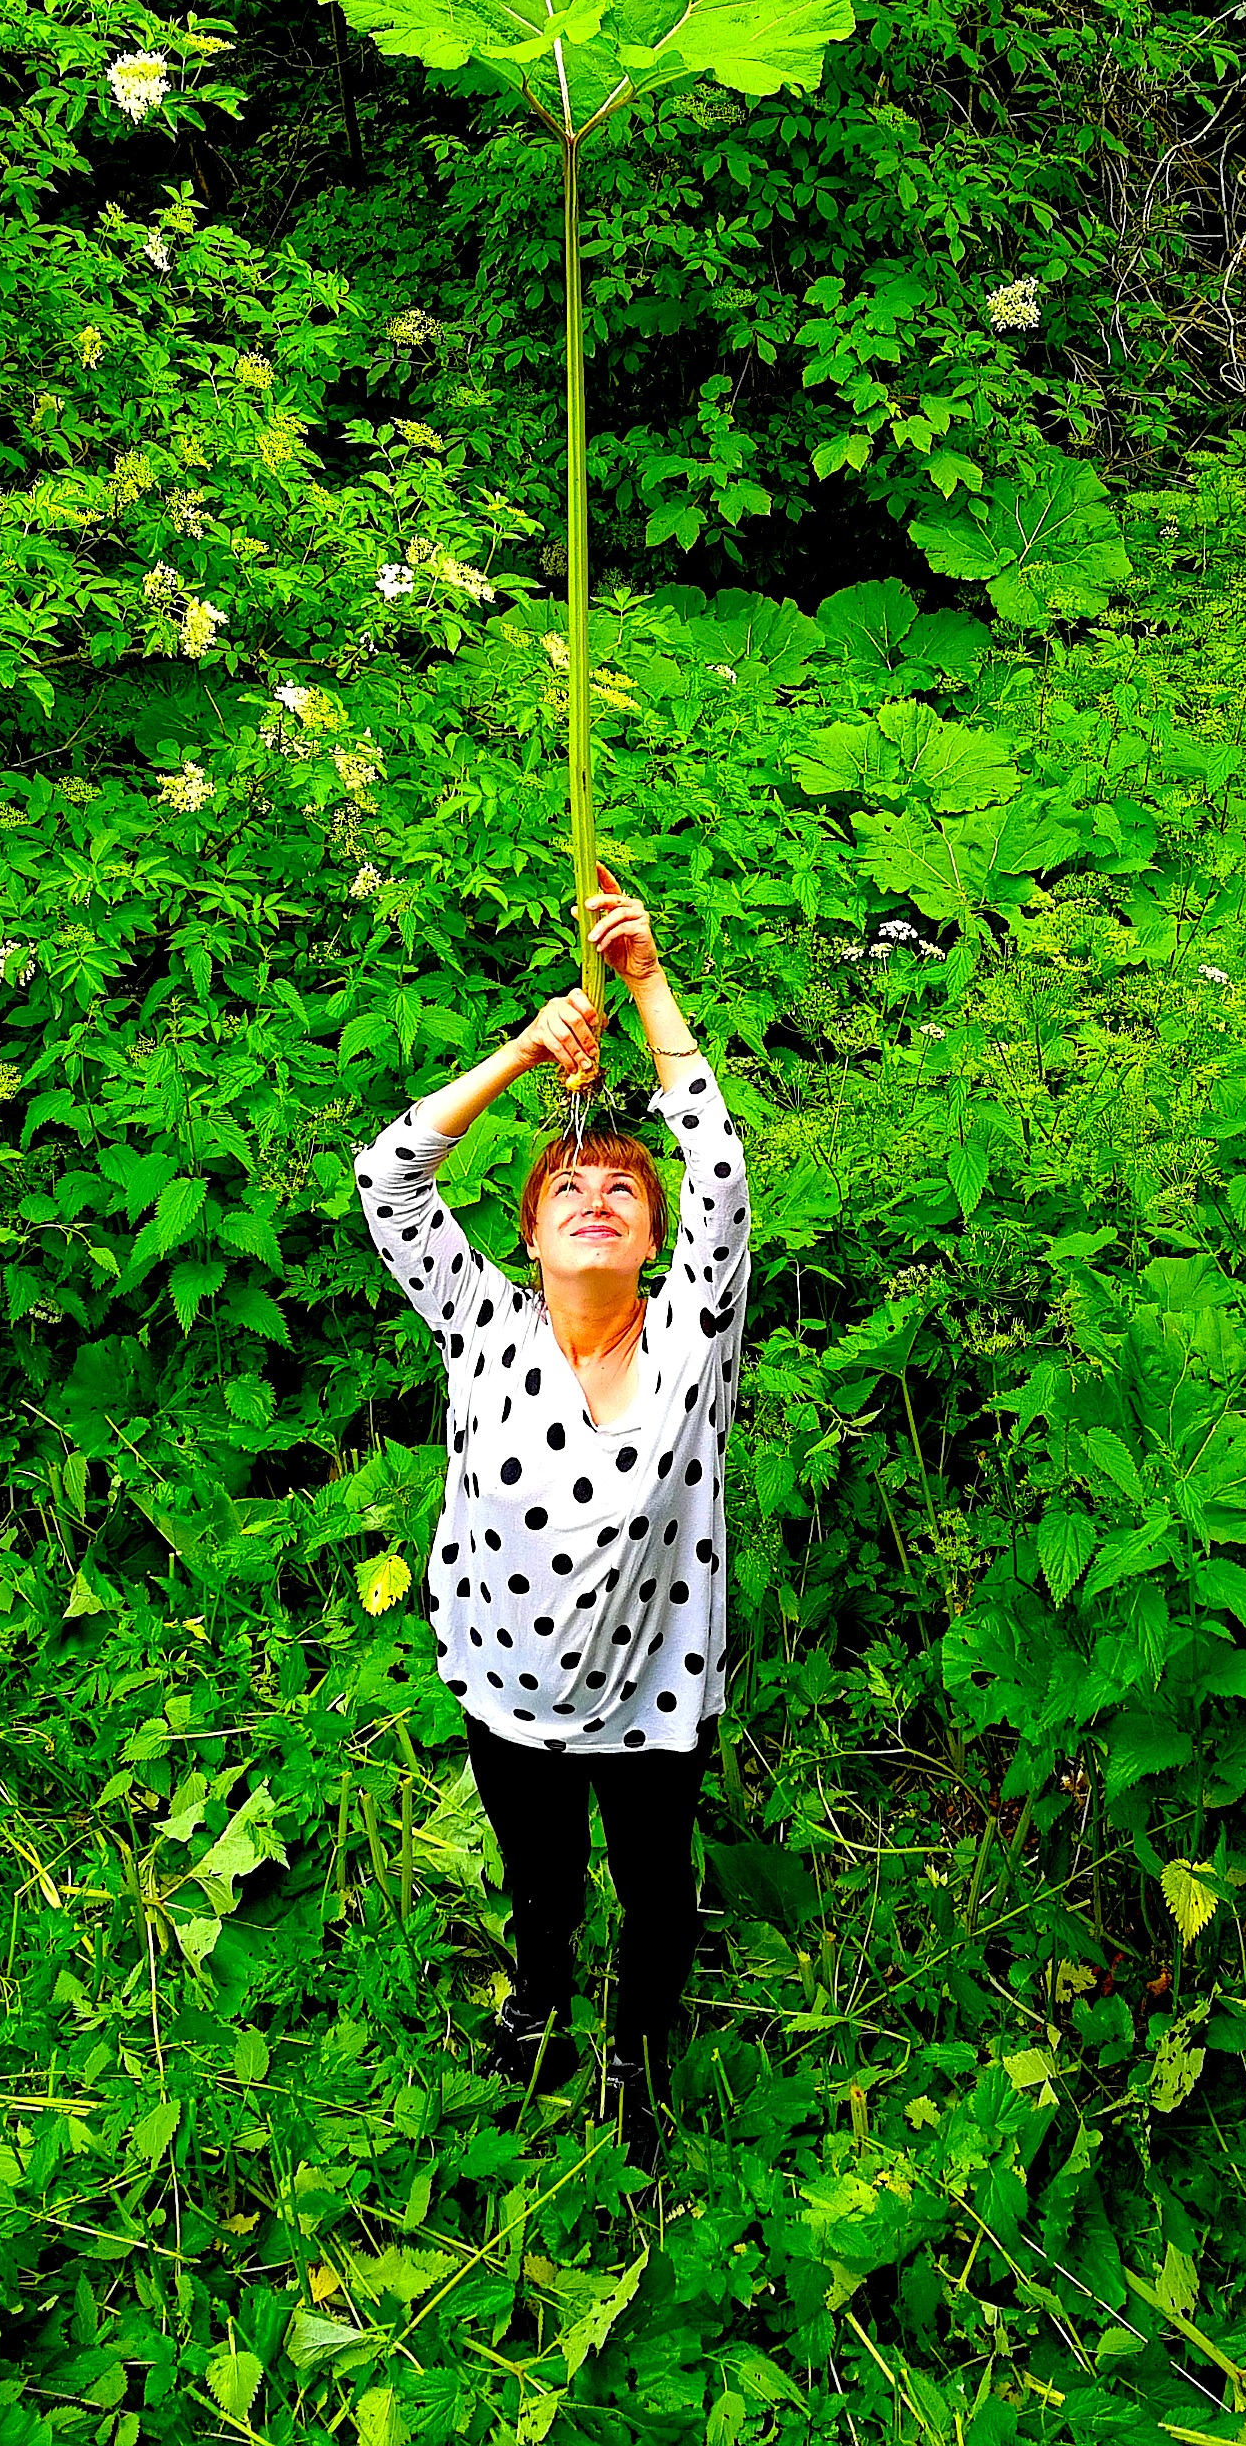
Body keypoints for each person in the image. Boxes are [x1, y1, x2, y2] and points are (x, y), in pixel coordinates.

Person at [353, 869, 750, 2173]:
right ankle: (538, 1996)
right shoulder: (485, 1327)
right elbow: (390, 1177)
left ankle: (636, 2047)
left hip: (653, 1697)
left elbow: (719, 1165)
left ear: (655, 1242)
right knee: (543, 1879)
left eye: (625, 1193)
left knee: (655, 1892)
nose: (596, 1199)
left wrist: (646, 982)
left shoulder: (693, 1338)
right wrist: (526, 1051)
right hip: (505, 1682)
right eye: (568, 1190)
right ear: (527, 1238)